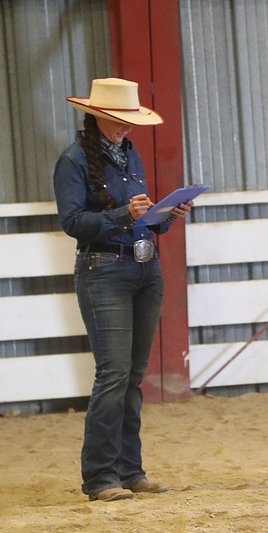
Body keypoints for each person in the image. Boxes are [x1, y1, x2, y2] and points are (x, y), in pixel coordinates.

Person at [54, 77, 193, 502]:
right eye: (119, 121)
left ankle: (129, 471)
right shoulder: (73, 160)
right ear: (97, 117)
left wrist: (167, 215)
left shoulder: (129, 155)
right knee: (113, 375)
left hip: (142, 268)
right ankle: (100, 477)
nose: (126, 128)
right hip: (104, 270)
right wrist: (121, 214)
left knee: (131, 377)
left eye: (128, 121)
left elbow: (140, 219)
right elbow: (72, 223)